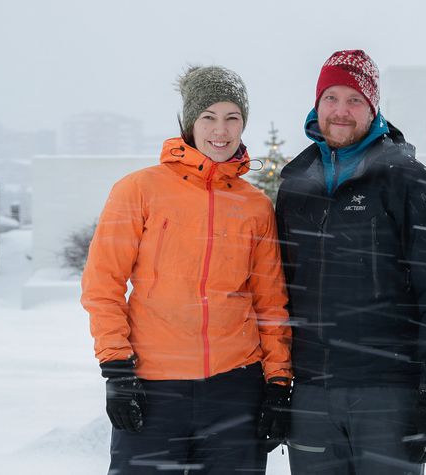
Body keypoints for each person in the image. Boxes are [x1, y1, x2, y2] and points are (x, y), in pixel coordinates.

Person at [81, 65, 292, 474]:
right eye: (208, 117)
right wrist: (117, 370)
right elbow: (102, 285)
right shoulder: (139, 190)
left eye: (233, 117)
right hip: (153, 387)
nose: (221, 130)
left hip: (235, 388)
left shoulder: (255, 206)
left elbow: (270, 302)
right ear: (188, 123)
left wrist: (278, 382)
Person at [275, 49, 426, 475]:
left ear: (373, 107)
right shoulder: (295, 185)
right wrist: (276, 386)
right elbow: (277, 294)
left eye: (354, 99)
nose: (341, 111)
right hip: (311, 394)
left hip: (388, 394)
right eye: (331, 98)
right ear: (317, 103)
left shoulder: (408, 179)